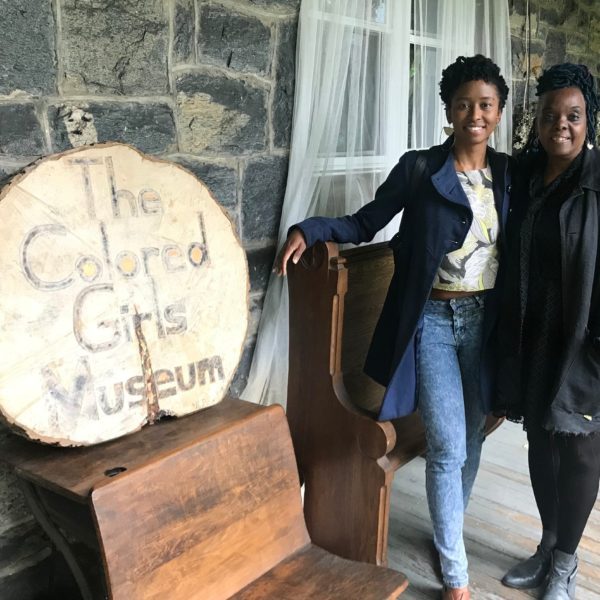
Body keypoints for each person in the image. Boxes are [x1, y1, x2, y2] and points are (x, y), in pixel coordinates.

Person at [275, 55, 511, 600]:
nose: (474, 114)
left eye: (486, 104)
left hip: (484, 322)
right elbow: (364, 223)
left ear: (498, 112)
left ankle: (447, 526)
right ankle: (455, 573)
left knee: (473, 435)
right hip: (429, 321)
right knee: (448, 445)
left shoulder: (508, 174)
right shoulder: (419, 168)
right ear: (448, 110)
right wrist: (310, 230)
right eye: (464, 104)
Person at [496, 63, 600, 600]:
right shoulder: (526, 174)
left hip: (585, 338)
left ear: (590, 123)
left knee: (580, 447)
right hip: (532, 331)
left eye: (573, 116)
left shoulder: (597, 180)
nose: (561, 124)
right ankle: (548, 543)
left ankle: (565, 565)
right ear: (536, 122)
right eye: (551, 115)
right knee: (540, 436)